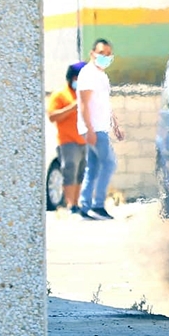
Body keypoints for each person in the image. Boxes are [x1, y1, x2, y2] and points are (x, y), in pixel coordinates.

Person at [77, 39, 124, 220]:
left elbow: (105, 105)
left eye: (108, 54)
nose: (105, 57)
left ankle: (85, 206)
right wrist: (89, 129)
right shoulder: (88, 74)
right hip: (94, 128)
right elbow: (84, 104)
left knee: (93, 166)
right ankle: (97, 205)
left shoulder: (102, 75)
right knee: (109, 163)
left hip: (101, 128)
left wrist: (115, 125)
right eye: (101, 53)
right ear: (92, 53)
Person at [47, 61, 88, 214]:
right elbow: (52, 116)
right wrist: (72, 107)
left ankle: (76, 203)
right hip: (68, 141)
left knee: (80, 172)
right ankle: (70, 204)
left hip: (84, 140)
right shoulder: (60, 94)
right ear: (71, 78)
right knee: (69, 170)